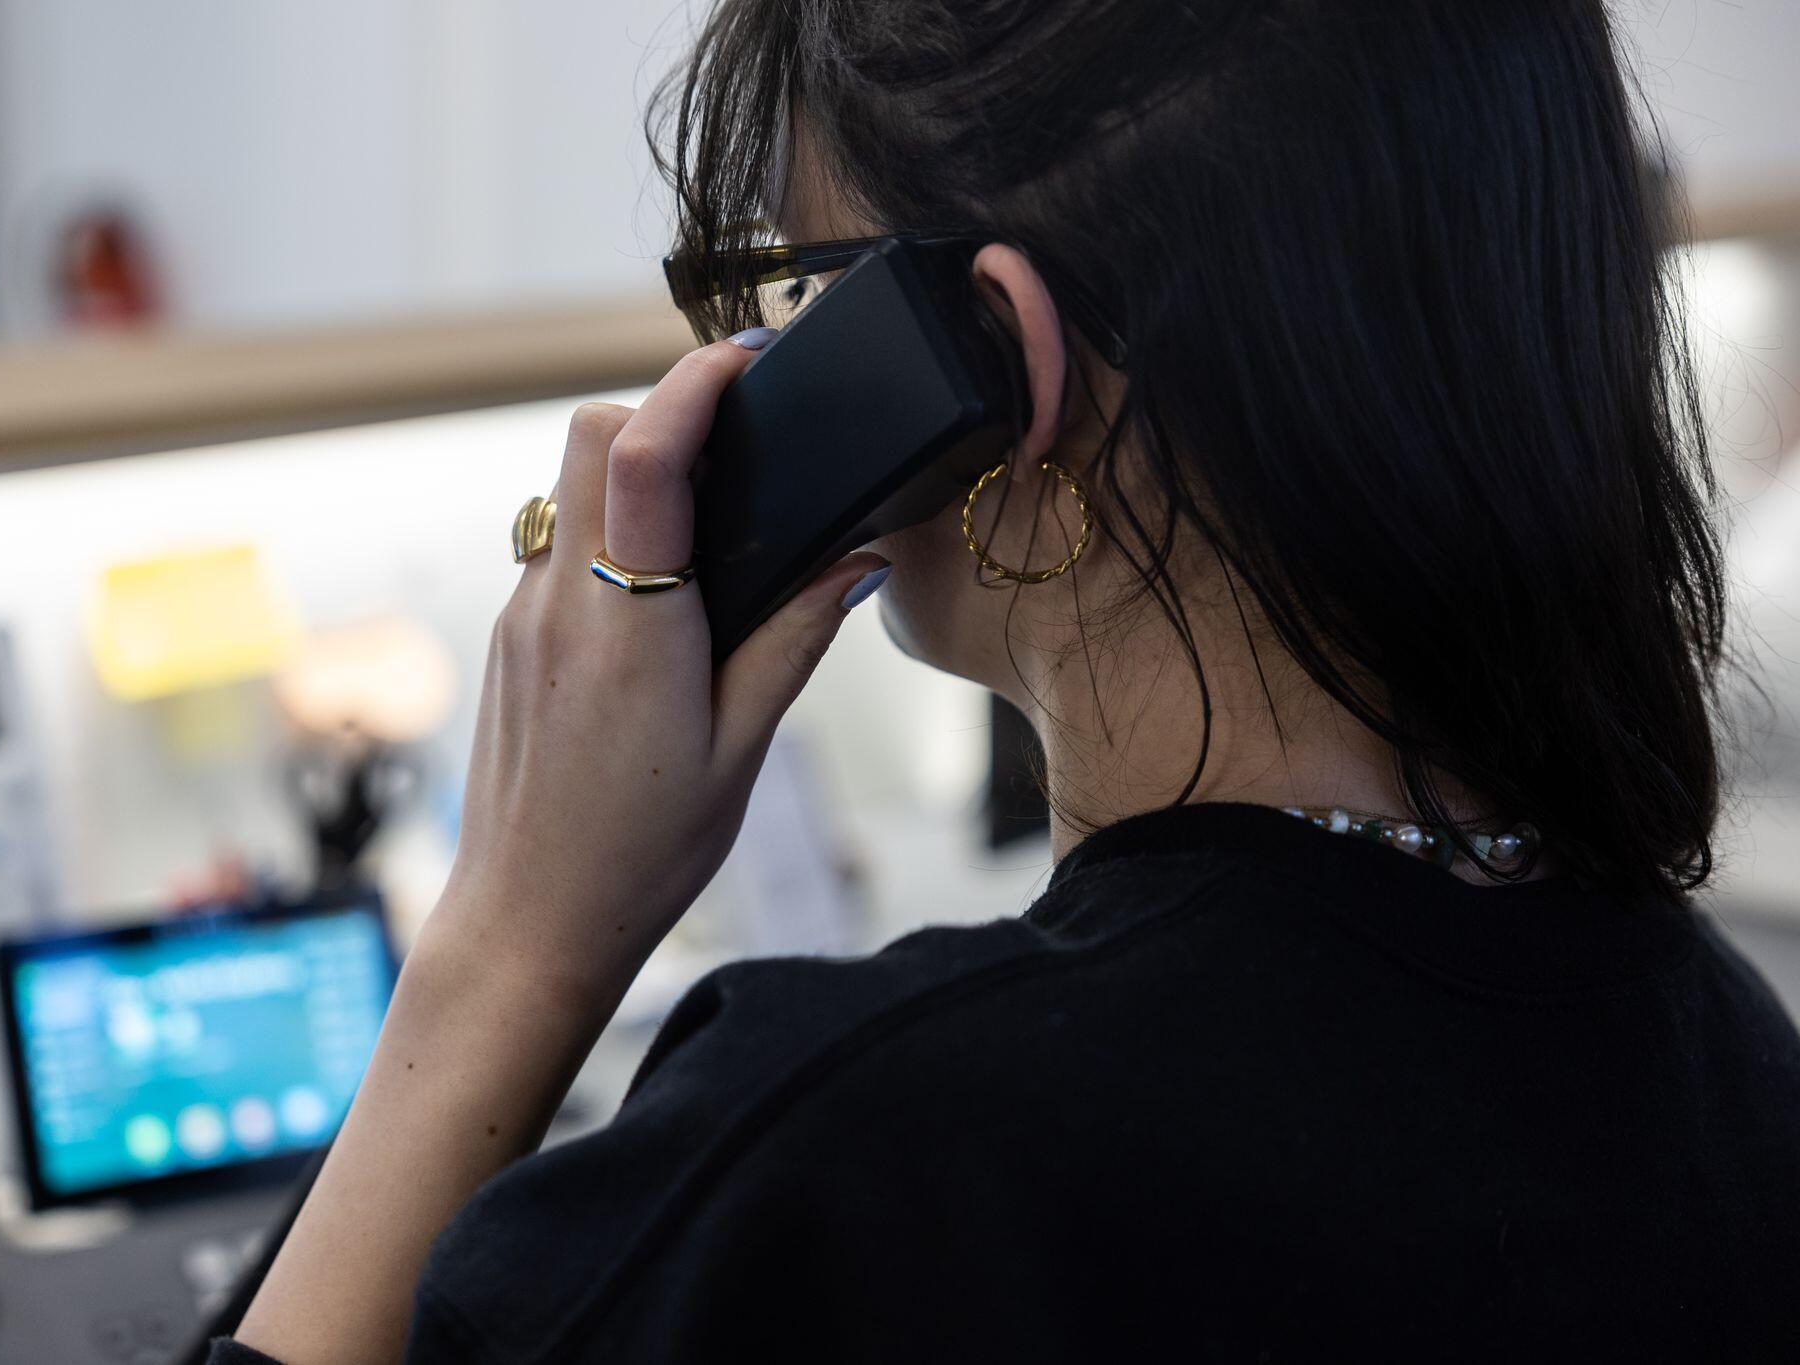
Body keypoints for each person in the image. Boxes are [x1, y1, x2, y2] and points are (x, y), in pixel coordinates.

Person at [217, 2, 1800, 1360]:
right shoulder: (1730, 1068)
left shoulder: (853, 1157)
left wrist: (511, 941)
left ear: (993, 354)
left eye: (806, 293)